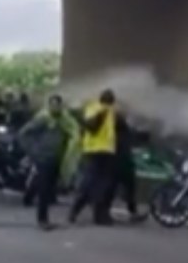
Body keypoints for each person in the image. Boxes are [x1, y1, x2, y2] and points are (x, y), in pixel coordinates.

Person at [19, 94, 78, 230]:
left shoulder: (64, 120)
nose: (55, 107)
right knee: (44, 190)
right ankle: (42, 220)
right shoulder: (43, 119)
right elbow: (24, 133)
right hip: (43, 158)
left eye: (57, 105)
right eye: (52, 104)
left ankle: (45, 219)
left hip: (57, 158)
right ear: (49, 105)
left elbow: (72, 134)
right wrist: (34, 152)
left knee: (50, 189)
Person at [69, 89, 120, 226]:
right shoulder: (101, 109)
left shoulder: (100, 109)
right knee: (97, 184)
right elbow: (92, 127)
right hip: (99, 151)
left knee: (96, 184)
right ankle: (86, 213)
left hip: (98, 150)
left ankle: (83, 213)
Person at [113, 110, 148, 223]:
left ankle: (132, 211)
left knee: (126, 187)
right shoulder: (121, 128)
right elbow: (134, 135)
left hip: (120, 161)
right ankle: (133, 212)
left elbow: (136, 135)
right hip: (121, 161)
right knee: (126, 187)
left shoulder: (121, 128)